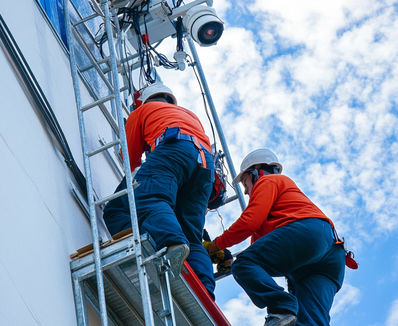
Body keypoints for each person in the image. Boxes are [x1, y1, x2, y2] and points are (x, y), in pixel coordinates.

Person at [205, 149, 346, 326]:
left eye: (245, 183)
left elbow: (250, 222)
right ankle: (284, 309)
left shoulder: (268, 180)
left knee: (244, 264)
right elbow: (262, 251)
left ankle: (281, 306)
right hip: (331, 255)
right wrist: (230, 262)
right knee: (310, 322)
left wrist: (214, 246)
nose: (246, 191)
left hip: (310, 234)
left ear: (255, 172)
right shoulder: (282, 201)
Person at [103, 82, 216, 297]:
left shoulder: (143, 110)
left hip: (173, 149)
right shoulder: (190, 115)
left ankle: (167, 242)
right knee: (192, 235)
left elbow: (128, 158)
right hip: (204, 166)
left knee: (145, 199)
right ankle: (204, 290)